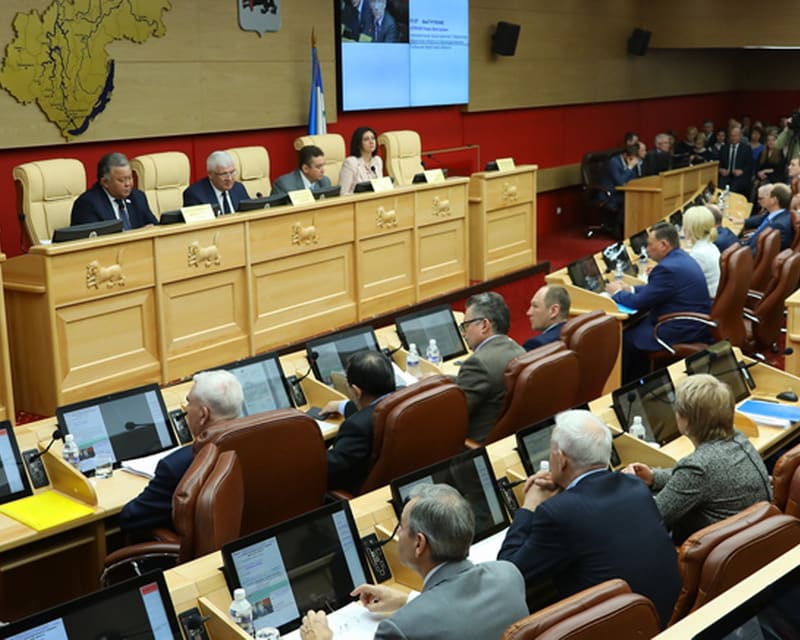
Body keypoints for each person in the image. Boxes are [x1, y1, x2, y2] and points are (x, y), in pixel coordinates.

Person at [497, 410, 681, 628]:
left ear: (561, 459)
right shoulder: (635, 486)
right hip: (672, 619)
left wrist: (528, 507)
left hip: (619, 629)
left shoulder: (557, 513)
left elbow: (508, 577)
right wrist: (566, 490)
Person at [299, 483, 528, 640]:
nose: (398, 533)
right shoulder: (508, 575)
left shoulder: (400, 629)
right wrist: (408, 601)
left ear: (419, 544)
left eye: (401, 526)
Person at [623, 374, 771, 546]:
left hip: (709, 550)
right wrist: (654, 477)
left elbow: (650, 518)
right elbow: (700, 481)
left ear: (686, 420)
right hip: (749, 540)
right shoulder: (738, 438)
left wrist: (630, 489)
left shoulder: (698, 466)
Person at [119, 370, 243, 532]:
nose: (186, 408)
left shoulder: (176, 466)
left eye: (189, 403)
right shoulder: (256, 443)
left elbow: (130, 518)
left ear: (203, 414)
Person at [606, 222, 711, 382]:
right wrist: (630, 289)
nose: (647, 249)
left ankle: (630, 383)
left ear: (663, 245)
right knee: (635, 325)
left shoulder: (667, 269)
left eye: (650, 244)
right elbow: (655, 290)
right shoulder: (680, 258)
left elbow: (638, 303)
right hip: (693, 323)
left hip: (681, 329)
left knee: (626, 337)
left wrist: (617, 293)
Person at [455, 292, 524, 442]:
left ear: (484, 325)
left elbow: (454, 416)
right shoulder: (519, 350)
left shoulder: (477, 364)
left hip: (474, 444)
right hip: (508, 438)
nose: (464, 334)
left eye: (465, 326)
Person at [326, 350, 396, 495]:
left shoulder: (356, 428)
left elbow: (329, 470)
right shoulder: (407, 399)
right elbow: (375, 408)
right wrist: (343, 406)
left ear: (356, 391)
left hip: (362, 491)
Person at [71, 152, 158, 229]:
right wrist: (138, 233)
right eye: (121, 180)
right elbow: (93, 239)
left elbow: (156, 227)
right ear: (105, 182)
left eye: (130, 178)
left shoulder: (138, 197)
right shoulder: (88, 205)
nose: (128, 184)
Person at [182, 150, 250, 213]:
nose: (229, 178)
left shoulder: (238, 188)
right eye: (224, 174)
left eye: (232, 172)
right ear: (210, 174)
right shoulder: (194, 195)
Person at [682, 205, 720, 297]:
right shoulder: (710, 245)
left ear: (690, 228)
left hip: (705, 300)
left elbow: (682, 283)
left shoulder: (698, 254)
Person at [745, 182, 794, 253]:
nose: (759, 201)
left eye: (767, 195)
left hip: (746, 253)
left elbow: (760, 252)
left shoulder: (779, 226)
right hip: (746, 246)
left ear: (774, 200)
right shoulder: (775, 214)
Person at [523, 285, 570, 351]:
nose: (528, 312)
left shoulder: (535, 345)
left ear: (554, 311)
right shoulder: (577, 332)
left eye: (535, 306)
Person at [339, 126, 384, 194]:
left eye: (373, 138)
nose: (371, 142)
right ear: (358, 144)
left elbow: (381, 188)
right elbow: (342, 193)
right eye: (366, 139)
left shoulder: (377, 160)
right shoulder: (350, 163)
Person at [601, 142, 641, 213]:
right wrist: (630, 167)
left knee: (639, 198)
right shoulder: (614, 162)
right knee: (633, 201)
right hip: (611, 194)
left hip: (623, 192)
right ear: (625, 155)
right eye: (631, 158)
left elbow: (635, 179)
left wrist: (636, 167)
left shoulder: (631, 161)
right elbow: (620, 182)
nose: (632, 160)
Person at [718, 126, 753, 195]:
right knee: (720, 186)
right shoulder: (724, 148)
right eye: (731, 136)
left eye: (735, 136)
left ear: (740, 136)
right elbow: (719, 162)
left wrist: (742, 171)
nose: (733, 138)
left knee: (733, 188)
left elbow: (749, 165)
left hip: (739, 176)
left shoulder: (746, 149)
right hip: (726, 175)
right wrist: (721, 169)